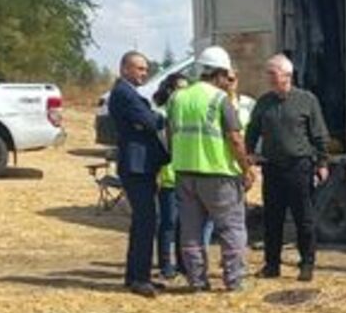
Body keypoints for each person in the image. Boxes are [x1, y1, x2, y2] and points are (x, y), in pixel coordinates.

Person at [167, 46, 254, 292]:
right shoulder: (220, 100)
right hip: (219, 175)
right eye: (226, 76)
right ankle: (234, 280)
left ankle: (197, 281)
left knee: (191, 231)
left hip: (184, 173)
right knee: (231, 229)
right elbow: (235, 139)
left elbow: (170, 134)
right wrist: (246, 168)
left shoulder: (177, 97)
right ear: (217, 74)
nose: (228, 81)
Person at [244, 53, 329, 281]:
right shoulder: (264, 102)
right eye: (268, 73)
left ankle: (307, 264)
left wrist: (322, 162)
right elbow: (252, 130)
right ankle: (272, 265)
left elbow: (319, 133)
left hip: (299, 167)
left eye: (273, 73)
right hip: (272, 168)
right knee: (272, 219)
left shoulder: (306, 100)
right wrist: (248, 153)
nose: (269, 78)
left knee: (304, 218)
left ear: (287, 75)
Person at [106, 50, 166, 297]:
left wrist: (150, 119)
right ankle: (140, 278)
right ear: (124, 69)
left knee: (142, 222)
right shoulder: (124, 94)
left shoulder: (128, 93)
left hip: (141, 164)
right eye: (139, 69)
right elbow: (151, 122)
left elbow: (147, 121)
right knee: (146, 221)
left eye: (145, 69)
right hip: (136, 165)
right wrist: (156, 118)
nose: (144, 73)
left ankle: (135, 275)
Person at [151, 71, 191, 282]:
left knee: (185, 223)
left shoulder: (186, 113)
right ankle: (166, 264)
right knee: (168, 222)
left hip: (185, 174)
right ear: (169, 90)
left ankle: (183, 263)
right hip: (167, 175)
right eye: (178, 88)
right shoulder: (162, 114)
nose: (182, 93)